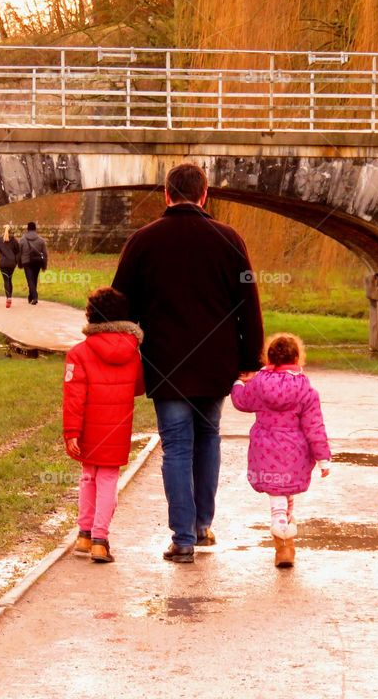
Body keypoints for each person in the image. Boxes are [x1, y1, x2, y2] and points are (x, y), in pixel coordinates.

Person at [112, 162, 264, 563]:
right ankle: (201, 525)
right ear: (204, 194)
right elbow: (248, 303)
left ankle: (181, 539)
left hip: (165, 361)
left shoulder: (143, 241)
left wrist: (118, 345)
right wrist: (250, 358)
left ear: (166, 194)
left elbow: (119, 302)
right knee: (208, 437)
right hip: (216, 363)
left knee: (176, 446)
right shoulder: (229, 239)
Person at [230, 333, 331, 568]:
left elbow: (241, 401)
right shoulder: (306, 390)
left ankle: (283, 539)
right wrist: (323, 458)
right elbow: (314, 426)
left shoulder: (258, 384)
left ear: (269, 358)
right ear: (297, 357)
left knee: (277, 494)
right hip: (294, 452)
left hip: (265, 450)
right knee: (285, 492)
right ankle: (285, 541)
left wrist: (238, 383)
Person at [63, 287, 145, 563]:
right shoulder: (133, 352)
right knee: (108, 479)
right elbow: (138, 387)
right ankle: (101, 539)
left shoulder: (79, 353)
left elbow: (74, 398)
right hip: (118, 427)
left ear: (91, 317)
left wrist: (71, 432)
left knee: (88, 476)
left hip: (88, 428)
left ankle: (84, 534)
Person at [0, 224, 21, 308]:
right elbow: (18, 251)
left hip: (3, 263)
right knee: (10, 279)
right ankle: (10, 298)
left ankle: (8, 298)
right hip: (12, 263)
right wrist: (16, 261)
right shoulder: (14, 240)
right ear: (11, 231)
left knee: (6, 280)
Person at [19, 221, 48, 305]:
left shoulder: (22, 239)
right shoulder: (41, 240)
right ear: (35, 229)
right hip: (37, 262)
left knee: (30, 280)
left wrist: (19, 263)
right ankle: (31, 296)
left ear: (27, 229)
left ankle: (34, 297)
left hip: (26, 262)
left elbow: (19, 253)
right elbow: (45, 254)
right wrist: (44, 265)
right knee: (34, 279)